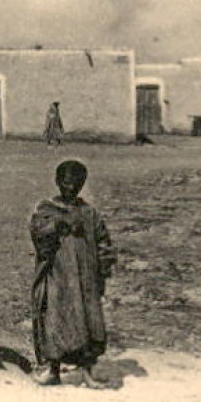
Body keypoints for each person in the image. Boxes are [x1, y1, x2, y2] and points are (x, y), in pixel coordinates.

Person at [30, 160, 116, 387]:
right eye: (67, 183)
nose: (71, 188)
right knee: (55, 321)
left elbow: (103, 242)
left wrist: (104, 268)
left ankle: (87, 374)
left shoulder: (89, 213)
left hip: (86, 279)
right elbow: (39, 234)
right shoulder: (47, 210)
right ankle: (53, 371)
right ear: (58, 182)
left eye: (77, 184)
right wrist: (58, 224)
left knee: (89, 323)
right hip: (58, 276)